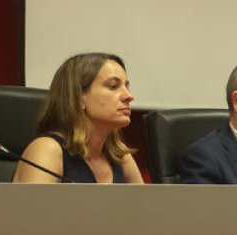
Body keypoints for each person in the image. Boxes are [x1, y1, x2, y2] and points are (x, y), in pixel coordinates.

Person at [12, 52, 143, 184]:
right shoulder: (48, 150)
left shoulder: (121, 157)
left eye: (126, 86)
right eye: (113, 86)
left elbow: (146, 204)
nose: (129, 96)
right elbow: (35, 205)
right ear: (78, 97)